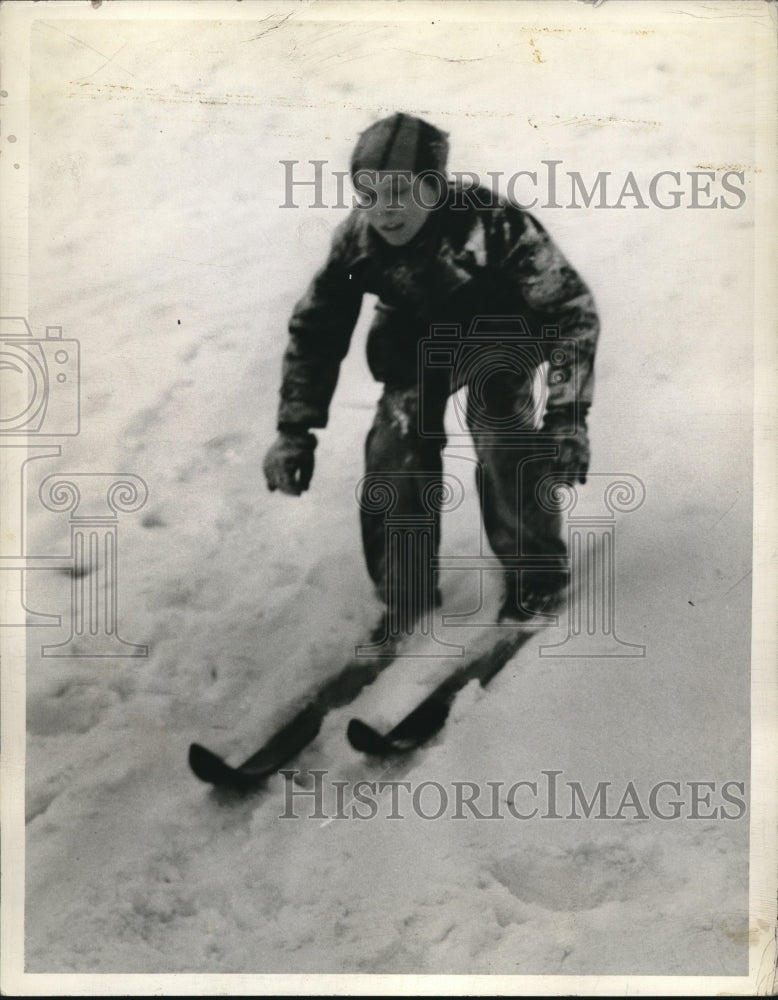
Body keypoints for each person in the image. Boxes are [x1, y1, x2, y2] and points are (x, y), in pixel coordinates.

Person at [263, 113, 598, 627]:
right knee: (396, 447)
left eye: (399, 191)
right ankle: (406, 588)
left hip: (500, 332)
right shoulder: (359, 244)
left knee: (499, 428)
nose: (383, 211)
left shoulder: (497, 226)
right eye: (368, 193)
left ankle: (536, 574)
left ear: (435, 188)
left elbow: (571, 312)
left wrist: (567, 418)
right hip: (416, 339)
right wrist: (294, 430)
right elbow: (318, 327)